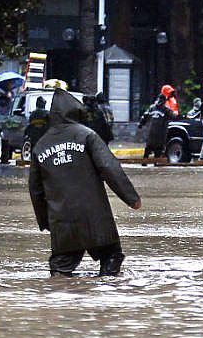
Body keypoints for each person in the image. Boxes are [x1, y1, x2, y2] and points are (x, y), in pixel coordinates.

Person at [29, 89, 142, 277]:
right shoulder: (87, 136)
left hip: (62, 224)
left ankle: (56, 304)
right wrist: (131, 199)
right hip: (96, 220)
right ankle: (105, 301)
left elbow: (36, 191)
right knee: (111, 260)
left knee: (60, 270)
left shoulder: (40, 146)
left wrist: (45, 222)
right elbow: (109, 168)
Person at [139, 84, 179, 159]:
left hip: (152, 131)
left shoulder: (152, 107)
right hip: (161, 131)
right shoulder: (165, 108)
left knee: (149, 147)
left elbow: (145, 115)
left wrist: (141, 124)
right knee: (158, 148)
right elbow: (174, 115)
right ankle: (155, 162)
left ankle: (145, 162)